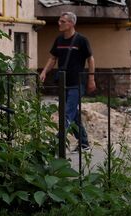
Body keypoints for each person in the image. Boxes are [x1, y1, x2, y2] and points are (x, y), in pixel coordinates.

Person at [38, 11, 95, 152]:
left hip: (77, 83)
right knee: (73, 114)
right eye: (59, 20)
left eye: (62, 21)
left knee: (67, 112)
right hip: (63, 83)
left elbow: (90, 59)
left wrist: (91, 79)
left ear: (71, 23)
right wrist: (44, 71)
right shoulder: (59, 40)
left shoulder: (81, 40)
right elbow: (53, 58)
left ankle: (57, 142)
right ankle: (84, 143)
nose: (59, 23)